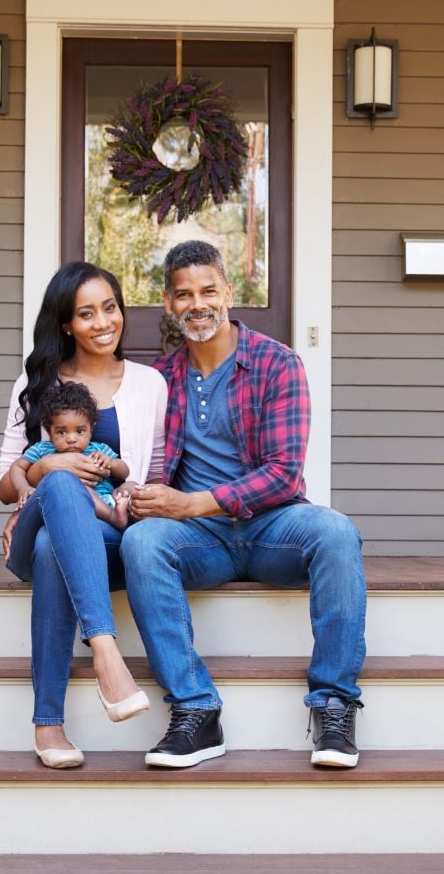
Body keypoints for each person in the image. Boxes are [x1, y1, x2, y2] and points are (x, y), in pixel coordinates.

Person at [123, 240, 368, 770]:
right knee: (141, 541)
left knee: (336, 532)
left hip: (270, 526)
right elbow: (137, 463)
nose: (198, 304)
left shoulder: (277, 363)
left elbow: (284, 473)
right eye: (184, 295)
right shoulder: (159, 380)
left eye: (208, 290)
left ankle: (334, 705)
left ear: (229, 292)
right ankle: (196, 710)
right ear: (168, 303)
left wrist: (192, 503)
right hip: (201, 540)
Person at [0, 261, 168, 769]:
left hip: (104, 535)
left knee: (57, 549)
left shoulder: (149, 384)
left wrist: (125, 492)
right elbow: (4, 486)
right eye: (86, 313)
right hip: (35, 524)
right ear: (66, 323)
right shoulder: (37, 385)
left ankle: (48, 724)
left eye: (110, 308)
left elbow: (150, 474)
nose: (102, 322)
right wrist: (47, 466)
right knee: (59, 492)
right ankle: (107, 654)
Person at [6, 381, 131, 530]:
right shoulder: (43, 450)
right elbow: (17, 466)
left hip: (109, 497)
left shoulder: (98, 449)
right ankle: (113, 517)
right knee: (79, 488)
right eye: (61, 432)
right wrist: (22, 487)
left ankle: (126, 513)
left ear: (91, 428)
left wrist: (110, 462)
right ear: (49, 431)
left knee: (132, 486)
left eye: (79, 431)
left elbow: (125, 471)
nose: (71, 439)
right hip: (77, 507)